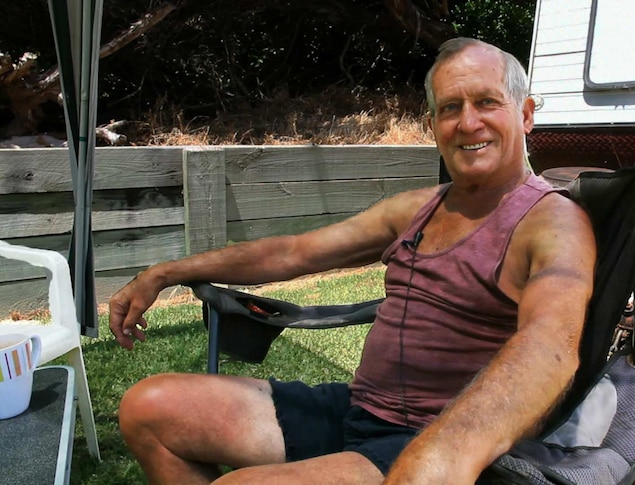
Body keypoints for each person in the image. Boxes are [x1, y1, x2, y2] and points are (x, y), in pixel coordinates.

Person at [109, 37, 596, 484]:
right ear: (433, 127)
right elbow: (292, 252)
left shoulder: (551, 222)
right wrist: (164, 273)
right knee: (148, 408)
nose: (468, 122)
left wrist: (448, 452)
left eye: (487, 102)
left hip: (431, 436)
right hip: (357, 411)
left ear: (526, 114)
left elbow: (550, 344)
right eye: (450, 108)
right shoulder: (417, 209)